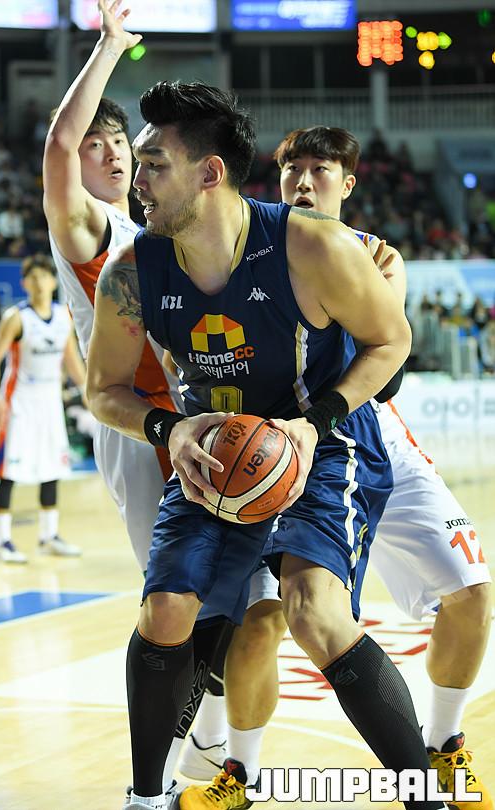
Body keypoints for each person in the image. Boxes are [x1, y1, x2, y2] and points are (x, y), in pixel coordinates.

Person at [85, 79, 453, 810]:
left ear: (210, 172)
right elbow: (104, 390)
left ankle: (424, 796)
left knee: (314, 611)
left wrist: (316, 423)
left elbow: (391, 341)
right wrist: (168, 427)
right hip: (213, 452)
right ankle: (147, 797)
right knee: (165, 611)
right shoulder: (131, 271)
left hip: (319, 442)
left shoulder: (311, 245)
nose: (137, 181)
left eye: (154, 164)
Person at [184, 126, 493, 810]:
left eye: (320, 170)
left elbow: (388, 379)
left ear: (347, 184)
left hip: (370, 436)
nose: (303, 180)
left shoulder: (376, 255)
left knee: (473, 592)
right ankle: (240, 773)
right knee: (263, 618)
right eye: (292, 168)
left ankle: (442, 747)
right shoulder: (249, 252)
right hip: (278, 448)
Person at [42, 0, 242, 797]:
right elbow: (59, 146)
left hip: (205, 422)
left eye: (120, 142)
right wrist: (110, 47)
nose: (110, 153)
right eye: (97, 145)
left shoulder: (161, 227)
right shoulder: (87, 229)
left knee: (242, 598)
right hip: (140, 428)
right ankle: (172, 768)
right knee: (181, 603)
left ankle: (207, 745)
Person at [0, 253, 86, 563]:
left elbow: (71, 360)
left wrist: (88, 393)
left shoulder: (63, 316)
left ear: (54, 281)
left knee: (52, 467)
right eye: (33, 277)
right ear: (24, 283)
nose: (39, 282)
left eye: (44, 276)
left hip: (50, 403)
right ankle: (2, 541)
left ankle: (49, 536)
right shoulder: (16, 317)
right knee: (9, 472)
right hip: (18, 403)